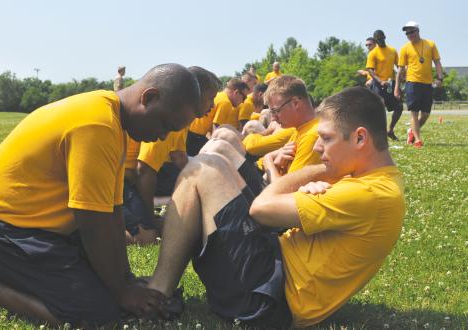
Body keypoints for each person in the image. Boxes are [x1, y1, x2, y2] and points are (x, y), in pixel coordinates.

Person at [0, 64, 201, 328]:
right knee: (97, 315)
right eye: (164, 124)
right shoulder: (98, 125)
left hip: (34, 228)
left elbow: (112, 213)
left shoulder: (112, 119)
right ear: (148, 97)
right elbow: (93, 225)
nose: (163, 135)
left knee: (107, 295)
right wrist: (122, 291)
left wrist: (126, 281)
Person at [145, 86, 405, 327]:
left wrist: (318, 172)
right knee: (220, 148)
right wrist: (313, 185)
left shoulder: (368, 192)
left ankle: (157, 293)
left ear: (360, 138)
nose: (317, 146)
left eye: (326, 138)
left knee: (202, 170)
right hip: (273, 266)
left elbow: (262, 210)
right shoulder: (371, 179)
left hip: (267, 300)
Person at [124, 66, 221, 245]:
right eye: (210, 98)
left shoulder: (183, 121)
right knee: (148, 238)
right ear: (194, 94)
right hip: (125, 181)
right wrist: (148, 218)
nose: (213, 105)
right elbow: (144, 170)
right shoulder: (172, 118)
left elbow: (180, 157)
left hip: (134, 178)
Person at [246, 75, 320, 181]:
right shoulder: (299, 129)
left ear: (295, 103)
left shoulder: (311, 135)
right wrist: (275, 162)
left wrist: (269, 160)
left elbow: (287, 188)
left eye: (276, 111)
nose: (273, 118)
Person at [395, 21, 444, 148]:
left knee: (426, 114)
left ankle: (412, 132)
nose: (409, 35)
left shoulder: (430, 44)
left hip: (427, 83)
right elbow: (400, 70)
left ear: (418, 31)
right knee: (414, 113)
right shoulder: (405, 48)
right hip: (412, 82)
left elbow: (437, 62)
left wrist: (440, 78)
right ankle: (417, 140)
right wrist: (397, 87)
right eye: (407, 33)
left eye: (411, 32)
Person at [186, 78, 248, 156]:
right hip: (195, 137)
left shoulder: (220, 96)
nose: (243, 101)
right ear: (236, 92)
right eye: (244, 97)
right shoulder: (226, 103)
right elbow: (216, 129)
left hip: (190, 133)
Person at [366, 30, 404, 140]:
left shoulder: (392, 51)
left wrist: (401, 82)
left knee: (399, 107)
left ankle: (390, 130)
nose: (380, 41)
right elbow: (370, 70)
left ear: (385, 37)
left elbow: (399, 67)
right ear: (375, 40)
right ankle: (379, 134)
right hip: (378, 85)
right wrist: (380, 81)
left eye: (381, 38)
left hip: (391, 84)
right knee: (380, 108)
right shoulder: (373, 53)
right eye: (378, 39)